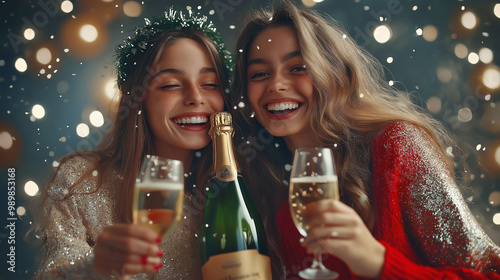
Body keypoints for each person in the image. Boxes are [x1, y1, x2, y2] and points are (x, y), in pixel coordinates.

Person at [230, 1, 500, 279]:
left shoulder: (397, 146)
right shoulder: (266, 185)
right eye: (259, 74)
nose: (275, 84)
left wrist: (377, 261)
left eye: (297, 67)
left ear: (334, 74)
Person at [33, 8, 231, 280]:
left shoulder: (239, 188)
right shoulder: (82, 180)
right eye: (171, 85)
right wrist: (95, 267)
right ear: (139, 99)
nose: (196, 97)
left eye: (210, 83)